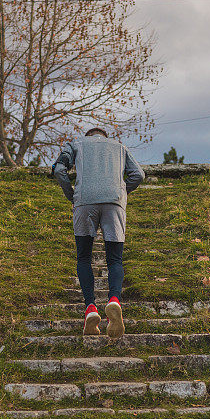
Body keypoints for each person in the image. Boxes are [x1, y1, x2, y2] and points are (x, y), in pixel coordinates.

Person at [52, 128, 145, 339]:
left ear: (89, 136)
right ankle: (114, 300)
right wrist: (121, 192)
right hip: (114, 203)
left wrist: (71, 194)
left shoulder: (76, 144)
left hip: (84, 202)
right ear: (104, 136)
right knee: (115, 259)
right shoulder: (120, 147)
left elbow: (59, 170)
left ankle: (91, 309)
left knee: (84, 258)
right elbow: (138, 174)